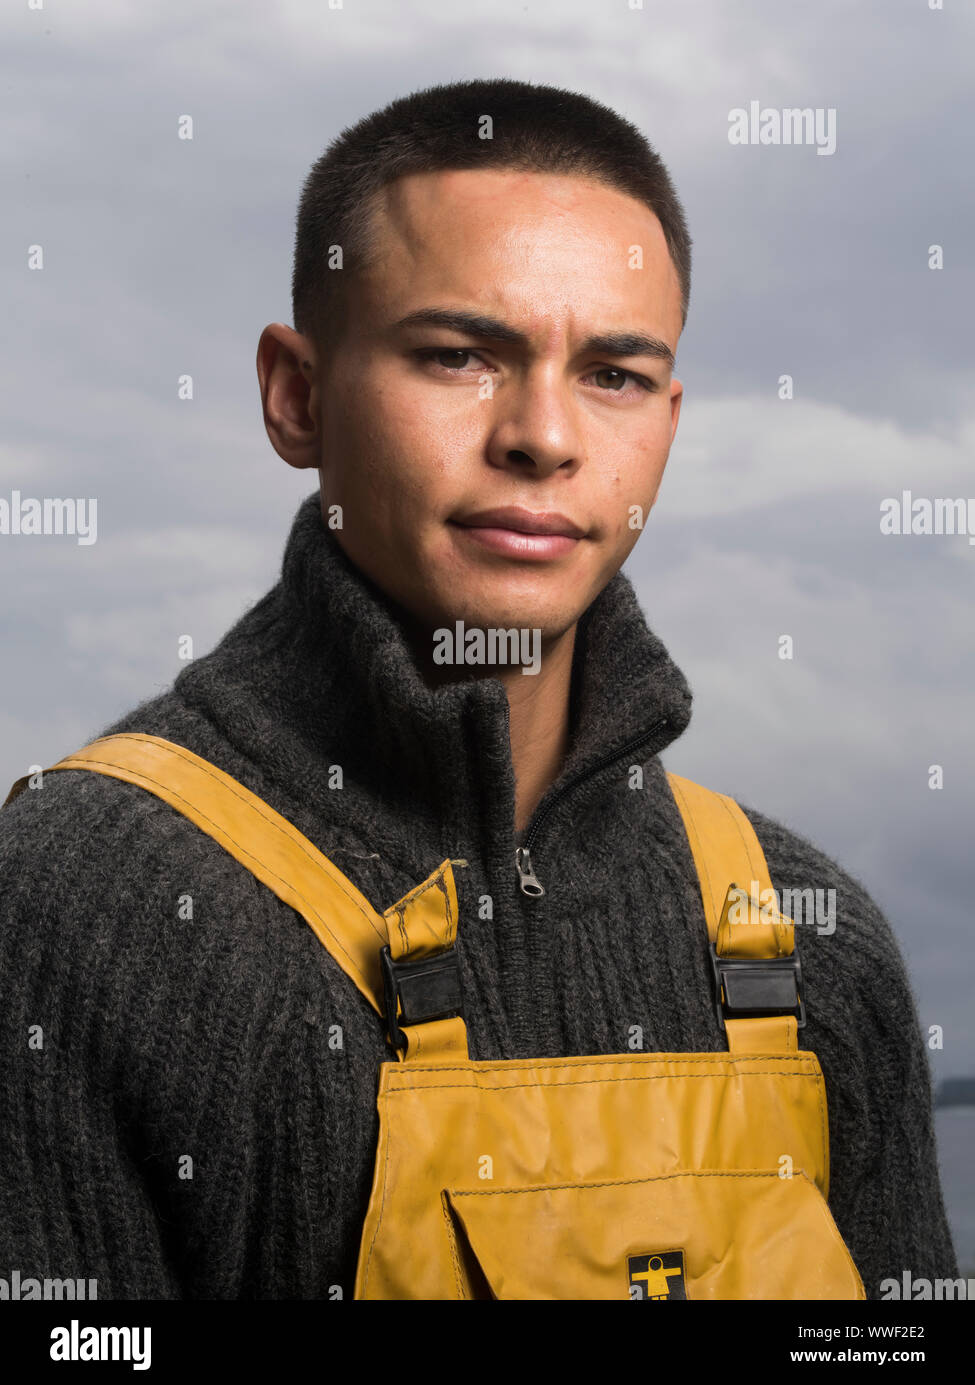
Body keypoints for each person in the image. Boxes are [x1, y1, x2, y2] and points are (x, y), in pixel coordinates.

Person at [0, 78, 957, 1300]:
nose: (544, 436)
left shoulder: (819, 939)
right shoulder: (73, 902)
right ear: (296, 395)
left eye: (613, 374)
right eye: (458, 355)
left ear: (669, 421)